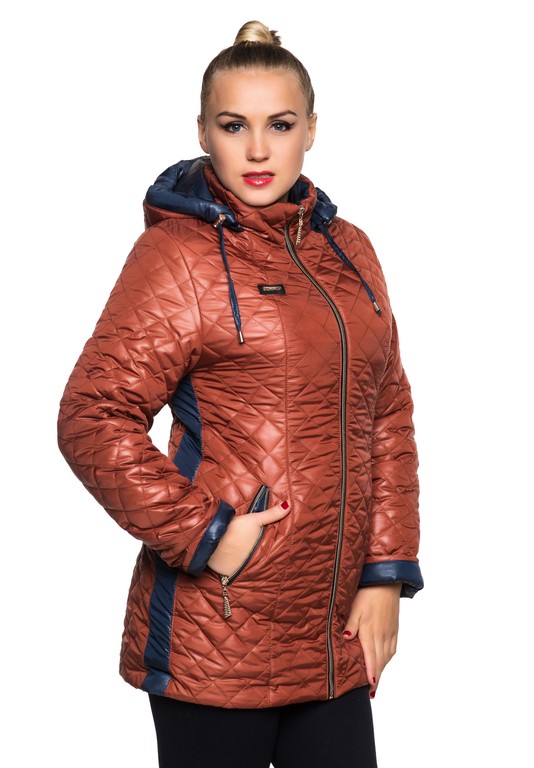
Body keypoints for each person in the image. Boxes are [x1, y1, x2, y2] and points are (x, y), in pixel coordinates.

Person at [58, 19, 423, 768]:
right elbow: (92, 416)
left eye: (279, 125)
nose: (258, 149)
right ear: (203, 132)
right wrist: (205, 532)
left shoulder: (350, 250)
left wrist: (384, 574)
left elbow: (386, 414)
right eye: (234, 126)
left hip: (333, 631)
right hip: (217, 627)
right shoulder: (177, 255)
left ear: (311, 130)